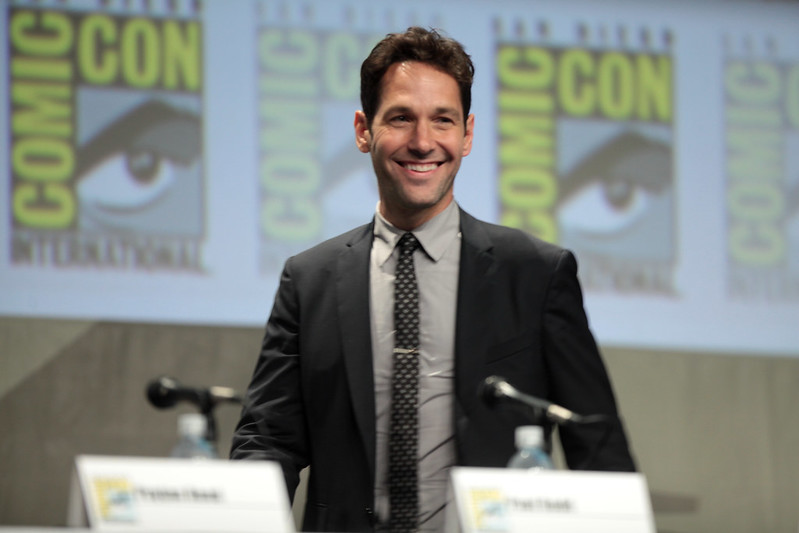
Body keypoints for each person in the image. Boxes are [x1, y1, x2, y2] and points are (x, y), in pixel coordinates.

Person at [230, 27, 636, 533]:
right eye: (401, 118)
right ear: (363, 130)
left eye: (441, 120)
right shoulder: (309, 280)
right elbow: (268, 440)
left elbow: (595, 445)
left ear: (466, 135)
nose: (423, 142)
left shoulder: (536, 273)